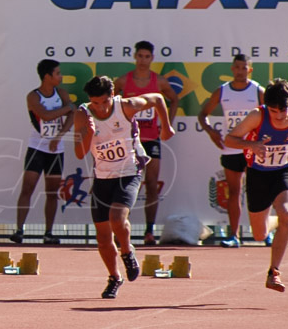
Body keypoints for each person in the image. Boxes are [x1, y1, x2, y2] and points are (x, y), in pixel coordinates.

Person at [74, 76, 174, 299]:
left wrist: (166, 127)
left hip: (129, 171)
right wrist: (89, 133)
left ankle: (127, 251)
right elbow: (79, 153)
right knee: (102, 237)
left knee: (117, 218)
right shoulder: (83, 114)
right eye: (95, 103)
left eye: (103, 102)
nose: (99, 108)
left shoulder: (126, 106)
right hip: (102, 176)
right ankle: (114, 278)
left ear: (112, 96)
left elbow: (157, 98)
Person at [223, 78, 288, 292]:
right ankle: (273, 221)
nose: (279, 116)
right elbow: (229, 139)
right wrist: (251, 145)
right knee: (259, 235)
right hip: (258, 175)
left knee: (287, 214)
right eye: (274, 111)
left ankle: (274, 272)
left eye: (283, 111)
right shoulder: (257, 116)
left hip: (283, 172)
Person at [197, 54, 264, 247]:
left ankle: (263, 233)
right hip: (231, 148)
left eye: (244, 68)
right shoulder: (222, 91)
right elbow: (203, 115)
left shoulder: (258, 91)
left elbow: (269, 115)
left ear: (250, 70)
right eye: (237, 67)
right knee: (234, 192)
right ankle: (234, 235)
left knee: (257, 191)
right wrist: (211, 132)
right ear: (232, 69)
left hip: (253, 147)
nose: (241, 71)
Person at [114, 40, 178, 245]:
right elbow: (112, 104)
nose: (143, 60)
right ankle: (124, 230)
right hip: (129, 140)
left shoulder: (159, 82)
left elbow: (174, 99)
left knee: (151, 184)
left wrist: (167, 124)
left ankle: (149, 231)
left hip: (152, 139)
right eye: (140, 56)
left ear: (152, 59)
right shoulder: (123, 82)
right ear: (135, 56)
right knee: (126, 185)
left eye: (147, 57)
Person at [10, 59, 75, 245]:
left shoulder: (61, 93)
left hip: (56, 149)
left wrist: (59, 136)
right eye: (57, 73)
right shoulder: (33, 96)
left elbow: (73, 115)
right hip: (37, 147)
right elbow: (45, 115)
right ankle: (19, 230)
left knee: (52, 192)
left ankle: (48, 232)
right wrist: (67, 108)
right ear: (47, 76)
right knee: (28, 188)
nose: (61, 77)